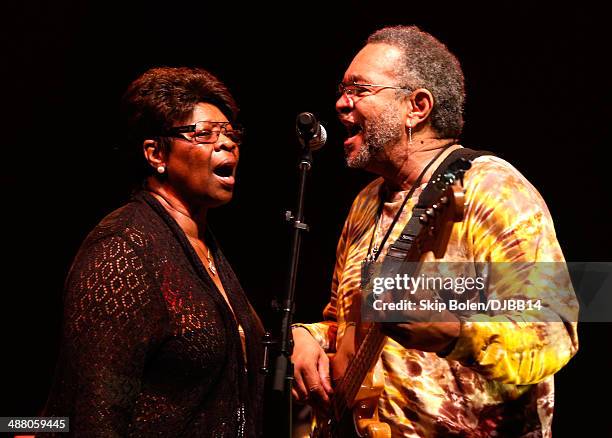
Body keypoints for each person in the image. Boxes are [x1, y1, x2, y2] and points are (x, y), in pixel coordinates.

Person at [291, 26, 579, 437]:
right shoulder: (366, 203)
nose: (340, 103)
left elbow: (555, 331)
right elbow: (349, 324)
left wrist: (456, 334)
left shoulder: (491, 188)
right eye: (342, 89)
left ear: (417, 106)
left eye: (359, 89)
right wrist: (309, 338)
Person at [44, 67, 264, 437]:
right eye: (204, 134)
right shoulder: (123, 249)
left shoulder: (206, 247)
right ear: (156, 153)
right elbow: (96, 410)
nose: (226, 144)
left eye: (229, 133)